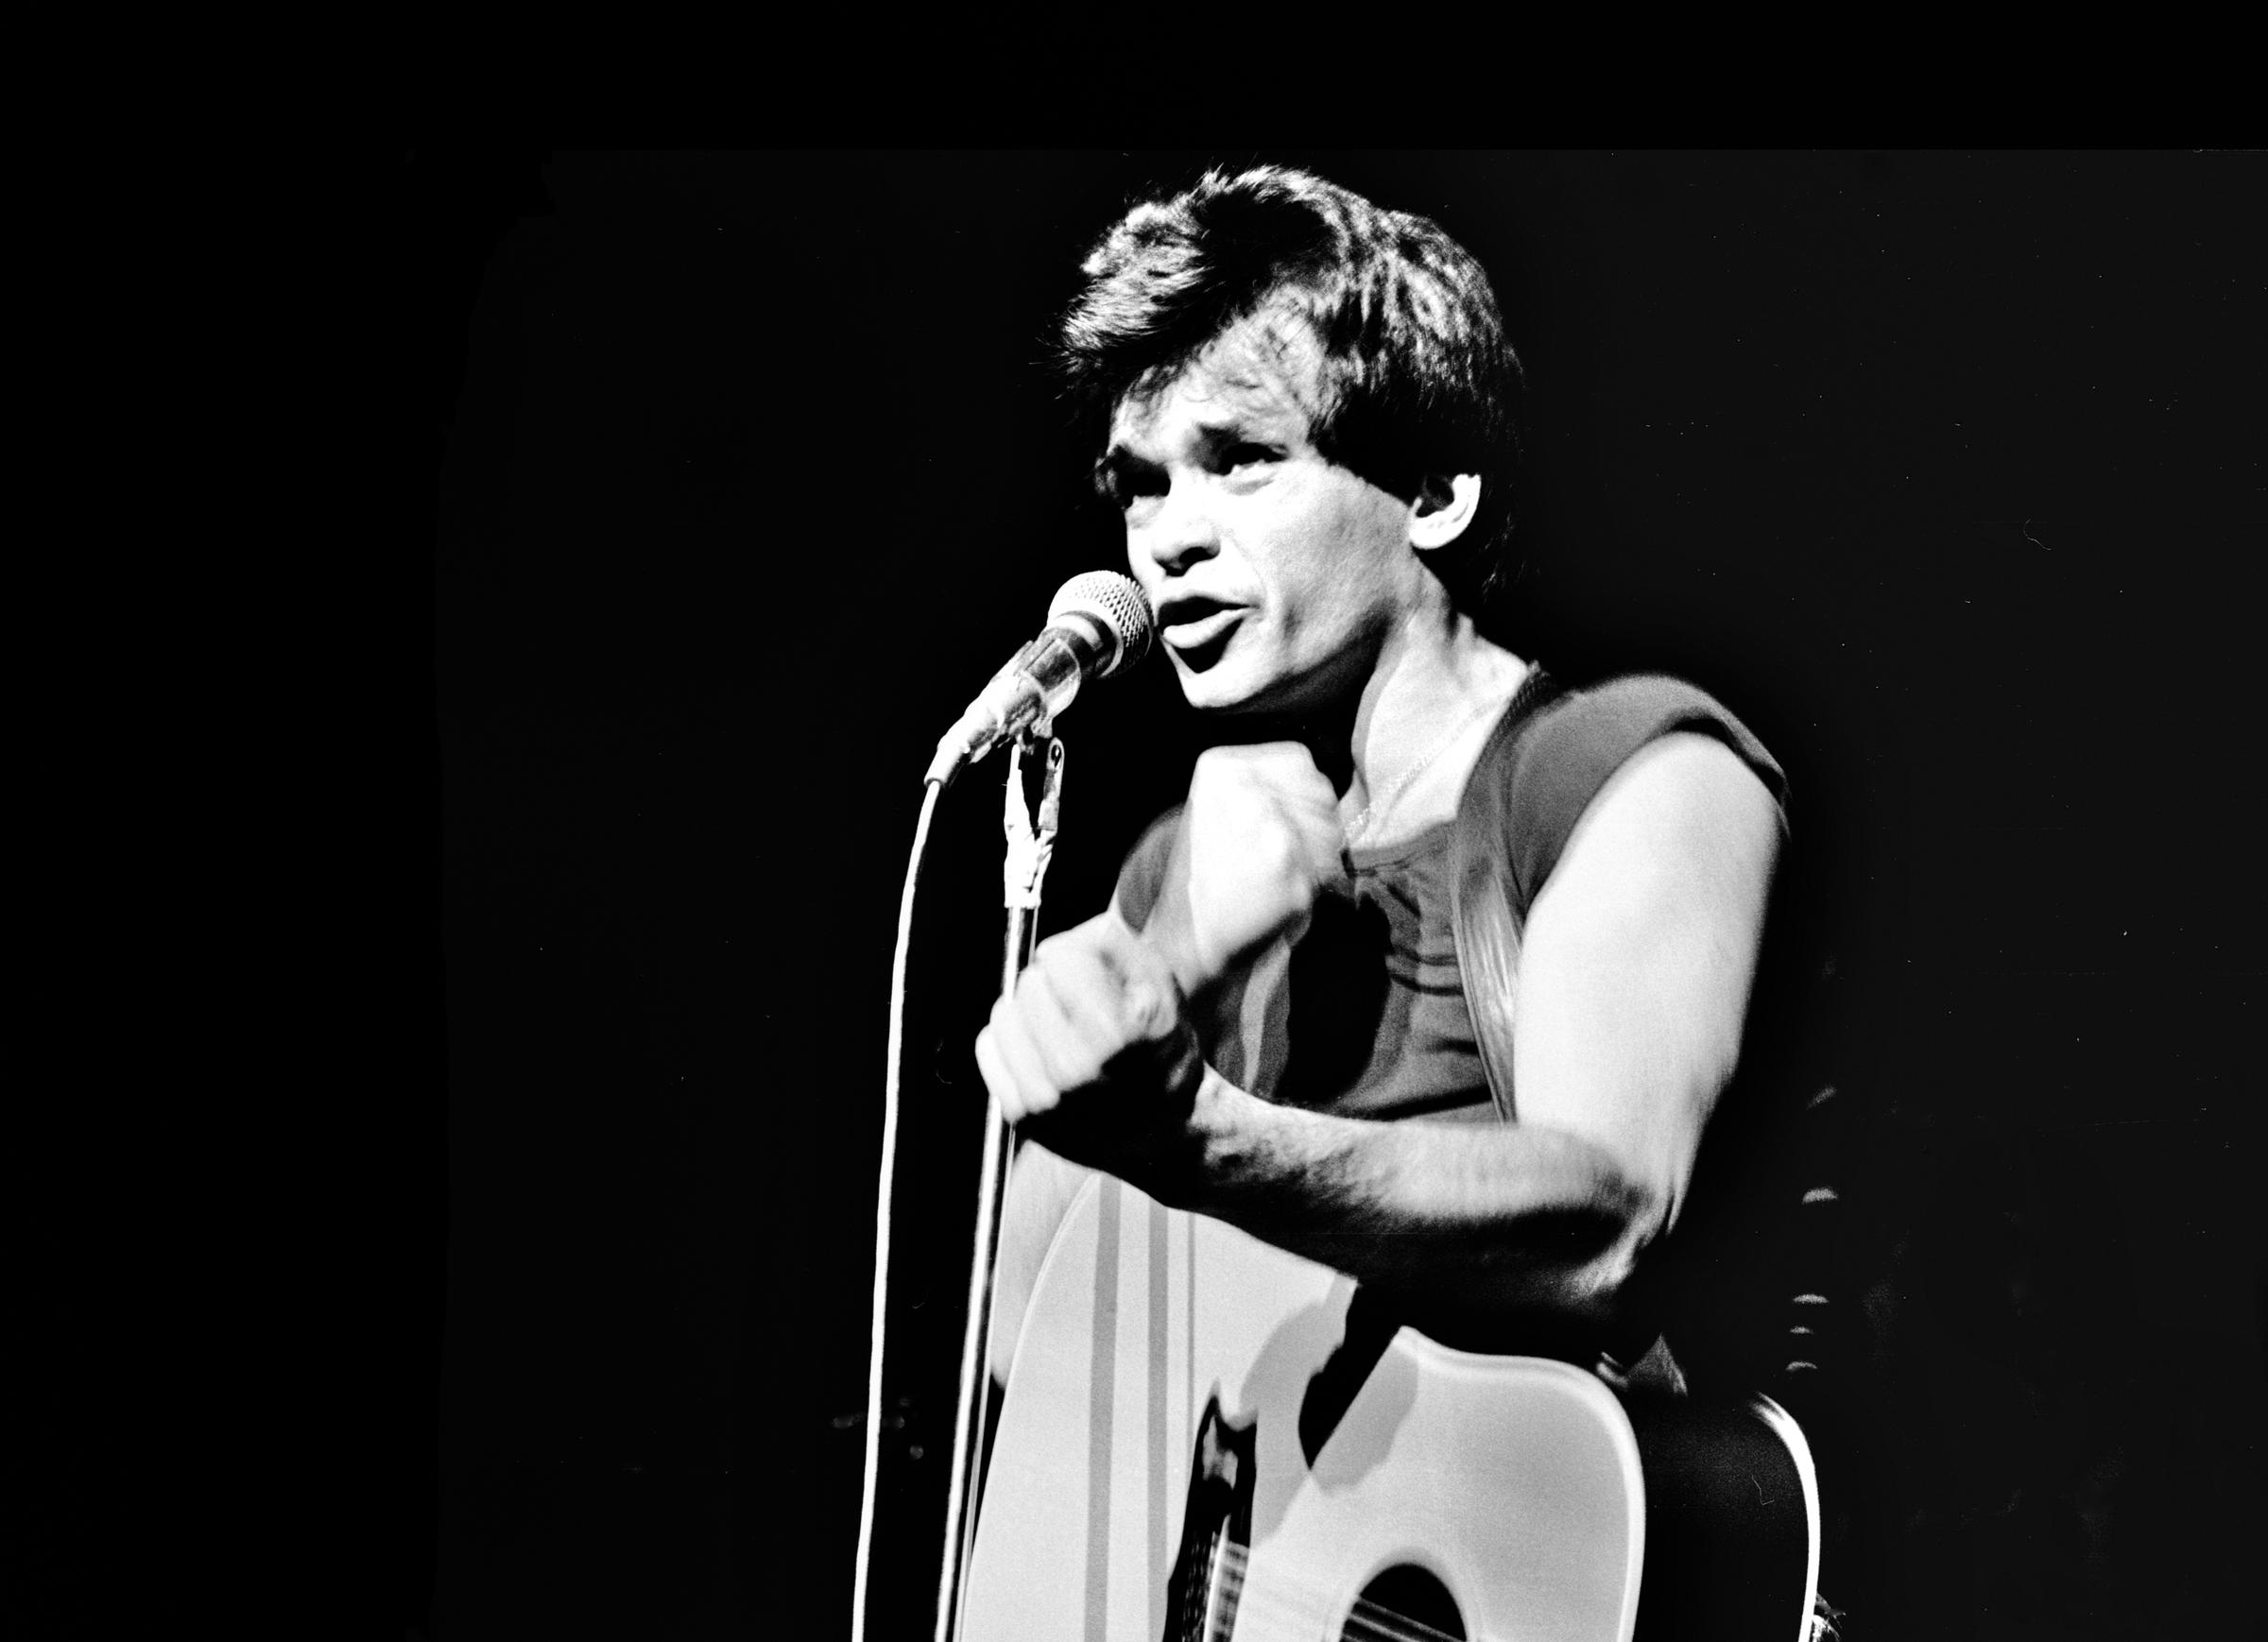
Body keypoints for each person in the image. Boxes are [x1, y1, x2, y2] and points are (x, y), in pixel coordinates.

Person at [974, 164, 1790, 1407]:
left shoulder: (1627, 770)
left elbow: (1607, 1220)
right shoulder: (1186, 858)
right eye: (1139, 482)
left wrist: (1197, 1133)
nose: (1166, 537)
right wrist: (1177, 960)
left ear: (1434, 490)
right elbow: (1021, 1349)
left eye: (1239, 457)